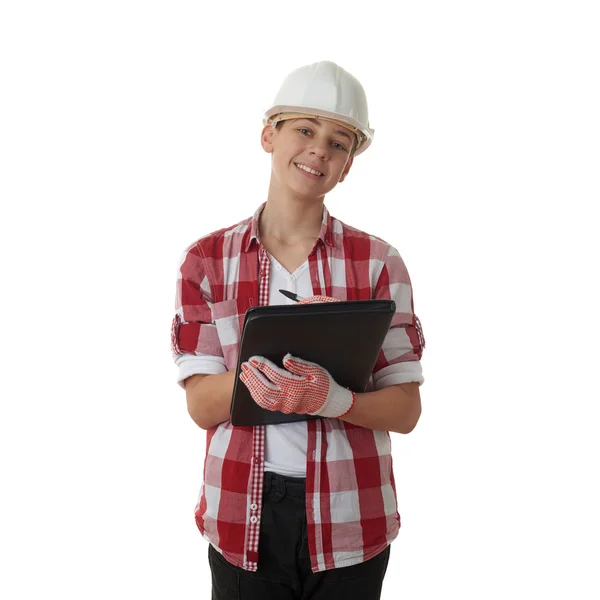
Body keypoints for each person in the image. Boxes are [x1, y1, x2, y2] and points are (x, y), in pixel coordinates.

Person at [171, 60, 426, 600]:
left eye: (338, 143)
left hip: (351, 514)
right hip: (243, 511)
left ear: (348, 166)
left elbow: (405, 411)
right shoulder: (207, 260)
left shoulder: (379, 264)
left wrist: (335, 399)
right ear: (270, 135)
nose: (319, 150)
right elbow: (200, 407)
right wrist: (271, 367)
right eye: (305, 130)